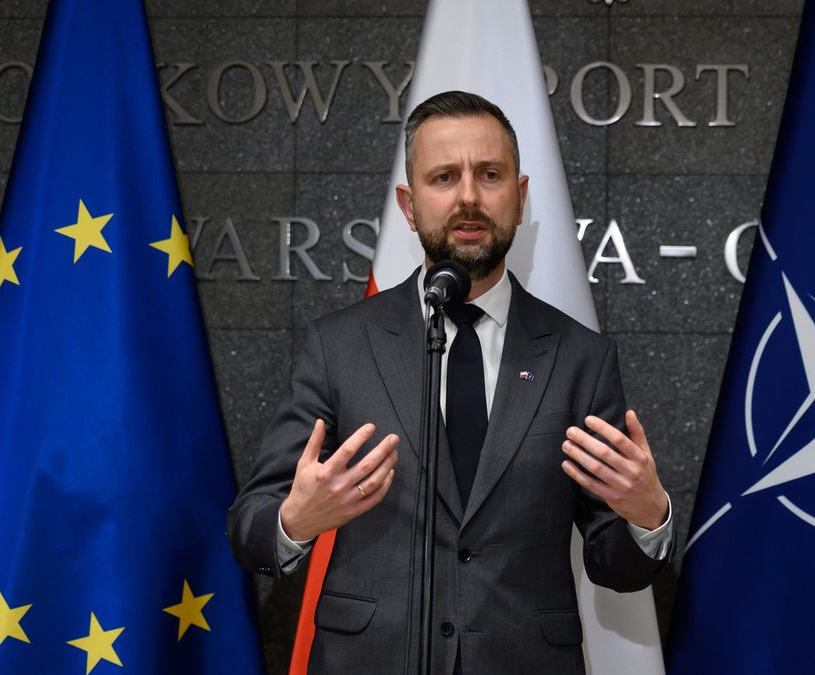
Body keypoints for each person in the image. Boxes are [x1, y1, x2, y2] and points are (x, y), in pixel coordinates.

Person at [227, 90, 673, 674]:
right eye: (444, 177)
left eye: (489, 174)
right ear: (409, 207)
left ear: (520, 197)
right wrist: (295, 521)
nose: (468, 195)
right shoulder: (339, 345)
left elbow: (614, 563)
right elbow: (250, 525)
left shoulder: (579, 357)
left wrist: (646, 516)